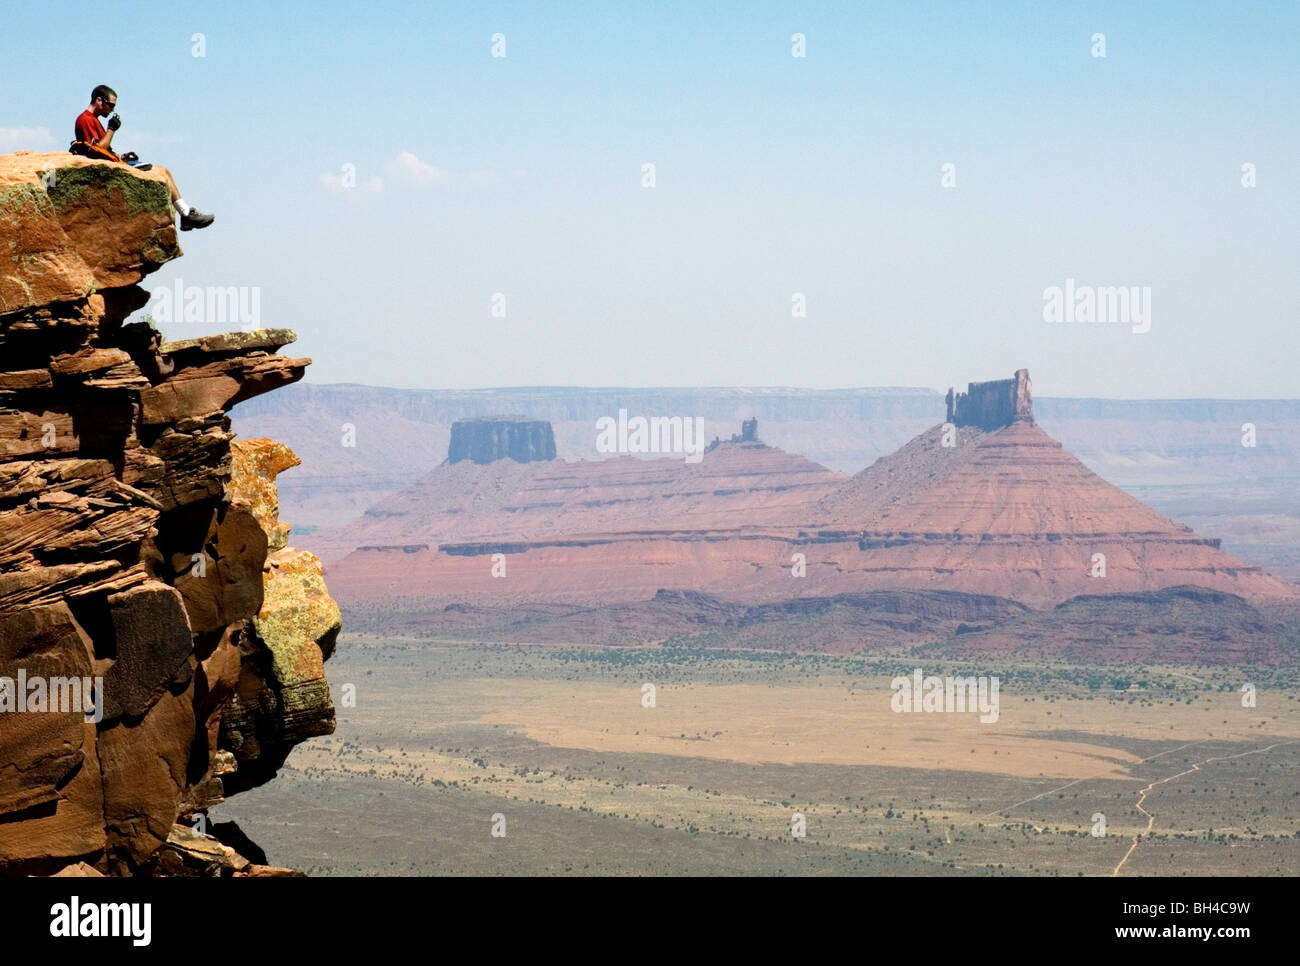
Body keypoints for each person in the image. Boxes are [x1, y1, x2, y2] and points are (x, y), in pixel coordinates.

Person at [74, 85, 214, 231]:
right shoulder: (85, 119)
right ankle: (186, 214)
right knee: (162, 172)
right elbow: (97, 151)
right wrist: (111, 129)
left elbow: (102, 149)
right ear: (99, 100)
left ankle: (186, 214)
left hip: (115, 162)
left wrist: (122, 156)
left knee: (164, 171)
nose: (112, 110)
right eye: (110, 105)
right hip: (110, 168)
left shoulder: (93, 119)